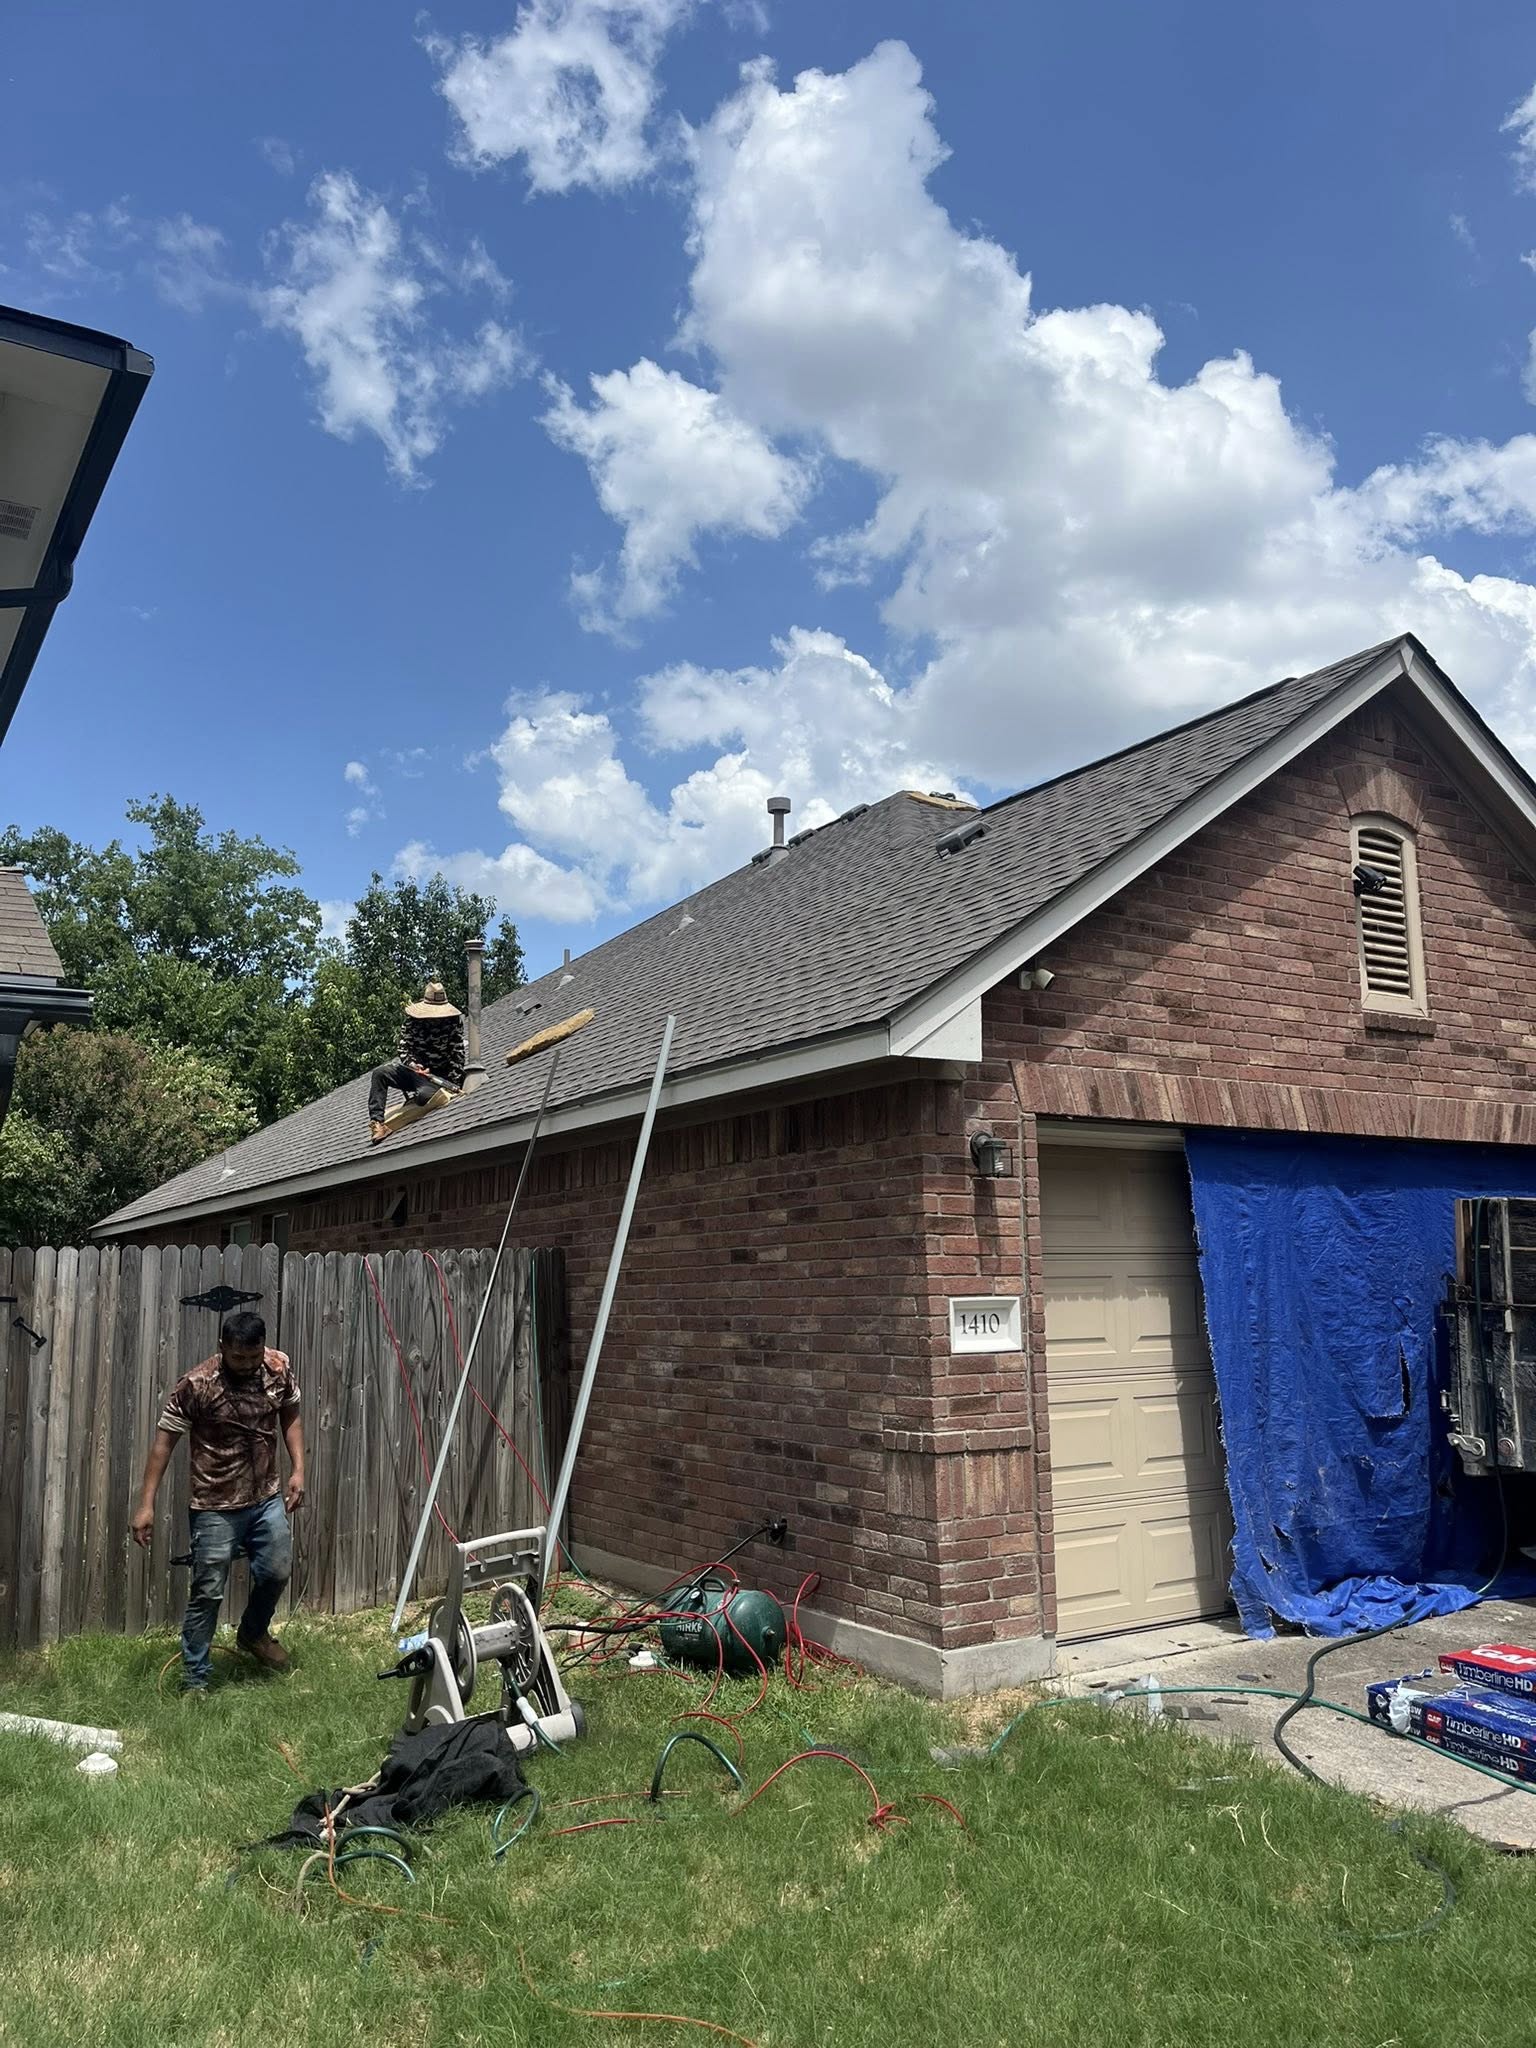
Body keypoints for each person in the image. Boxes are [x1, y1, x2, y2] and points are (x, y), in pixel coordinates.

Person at [130, 1309, 305, 1697]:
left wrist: (298, 1469)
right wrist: (146, 1504)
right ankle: (196, 1678)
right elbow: (163, 1444)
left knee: (277, 1572)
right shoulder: (196, 1384)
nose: (245, 1364)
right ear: (222, 1347)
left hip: (266, 1498)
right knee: (208, 1590)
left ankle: (253, 1633)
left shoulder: (278, 1369)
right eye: (237, 1356)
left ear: (263, 1346)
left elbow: (290, 1414)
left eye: (252, 1355)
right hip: (213, 1504)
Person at [367, 979, 466, 1144]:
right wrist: (413, 1065)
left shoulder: (453, 1023)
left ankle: (424, 1096)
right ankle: (378, 1123)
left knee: (424, 1097)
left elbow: (457, 1055)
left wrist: (453, 1084)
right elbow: (404, 1049)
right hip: (415, 1073)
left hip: (439, 1077)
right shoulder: (413, 1022)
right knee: (380, 1073)